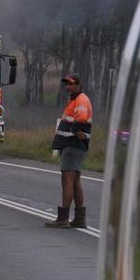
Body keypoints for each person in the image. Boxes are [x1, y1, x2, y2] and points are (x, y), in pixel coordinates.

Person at [46, 73, 93, 229]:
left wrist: (76, 131)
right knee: (75, 181)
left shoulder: (81, 100)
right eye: (66, 84)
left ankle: (63, 218)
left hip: (73, 145)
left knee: (67, 181)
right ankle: (80, 219)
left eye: (71, 84)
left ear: (79, 85)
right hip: (74, 145)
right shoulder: (76, 99)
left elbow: (82, 118)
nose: (68, 87)